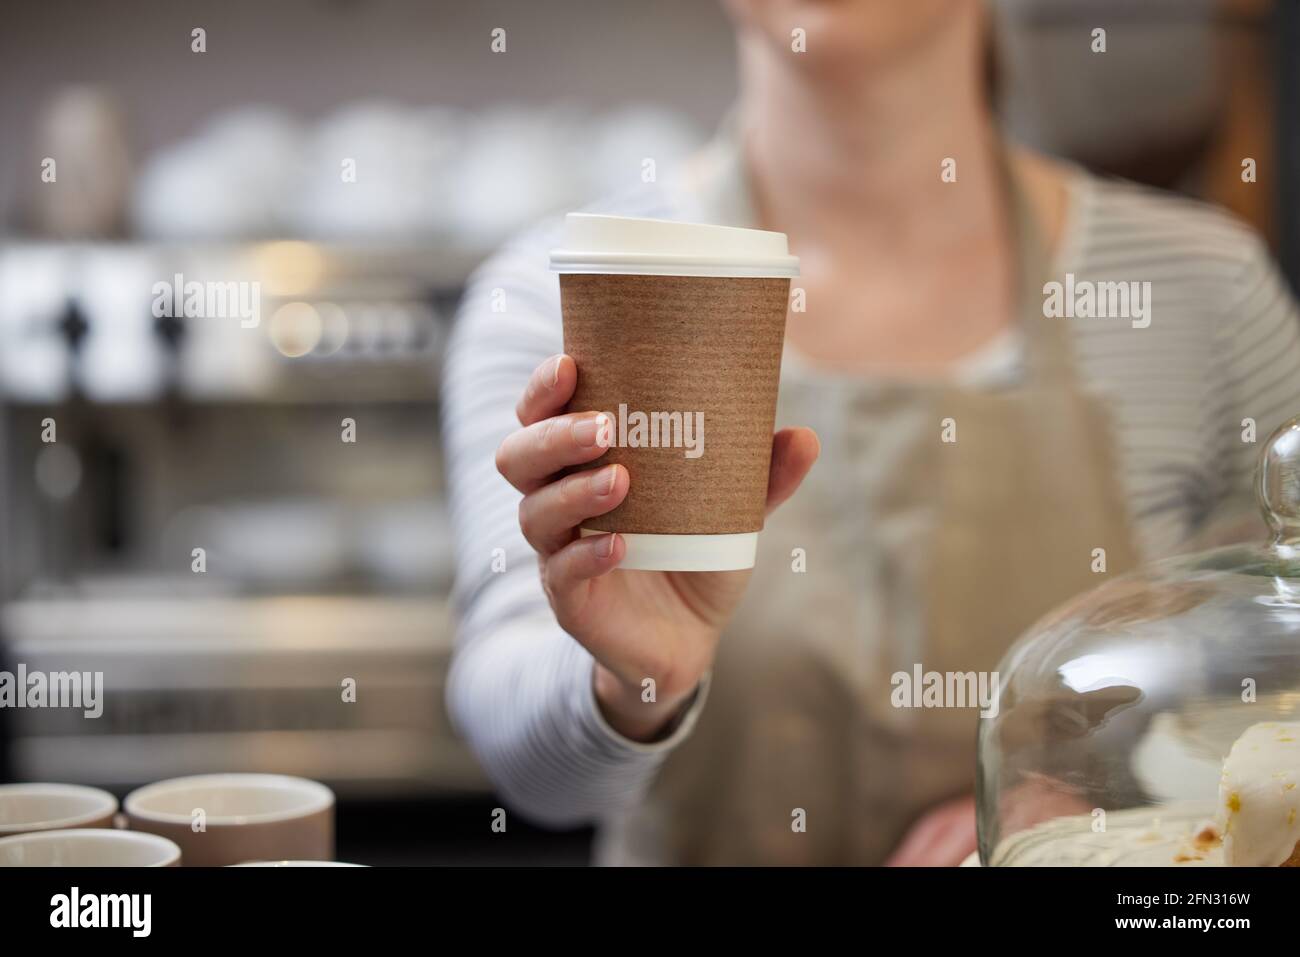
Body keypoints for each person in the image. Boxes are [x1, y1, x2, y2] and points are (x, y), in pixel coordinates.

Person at [441, 0, 1300, 865]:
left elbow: (1276, 703)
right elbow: (534, 776)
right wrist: (628, 680)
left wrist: (1100, 812)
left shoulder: (1204, 295)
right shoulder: (574, 291)